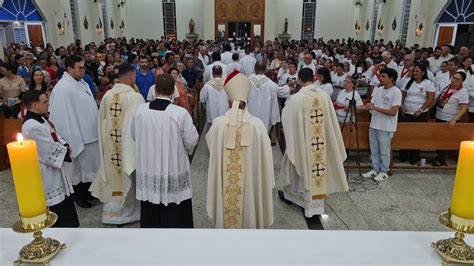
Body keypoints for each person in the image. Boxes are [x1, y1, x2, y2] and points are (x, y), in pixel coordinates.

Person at [206, 70, 274, 228]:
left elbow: (212, 147)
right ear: (246, 101)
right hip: (251, 182)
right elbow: (266, 157)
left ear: (229, 102)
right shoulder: (258, 125)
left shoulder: (218, 124)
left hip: (225, 189)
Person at [278, 68, 348, 218]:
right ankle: (314, 205)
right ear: (314, 77)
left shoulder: (296, 98)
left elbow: (286, 116)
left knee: (300, 165)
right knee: (318, 168)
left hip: (304, 143)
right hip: (320, 143)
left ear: (300, 80)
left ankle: (298, 198)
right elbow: (330, 121)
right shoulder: (324, 96)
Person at [132, 74, 199, 228]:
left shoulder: (141, 111)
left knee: (151, 201)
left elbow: (134, 135)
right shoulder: (179, 113)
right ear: (173, 91)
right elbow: (191, 140)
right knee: (174, 205)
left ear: (154, 90)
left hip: (149, 167)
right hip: (173, 167)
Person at [90, 64, 145, 226]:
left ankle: (111, 212)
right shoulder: (134, 97)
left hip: (112, 144)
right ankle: (128, 212)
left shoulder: (108, 95)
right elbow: (139, 125)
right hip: (128, 146)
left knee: (114, 174)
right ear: (132, 77)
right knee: (128, 172)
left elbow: (102, 122)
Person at [22, 90, 79, 227]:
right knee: (58, 211)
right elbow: (47, 148)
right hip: (47, 173)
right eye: (45, 102)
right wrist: (65, 150)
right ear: (35, 106)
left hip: (55, 171)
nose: (48, 104)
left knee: (66, 206)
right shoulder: (31, 127)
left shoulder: (40, 119)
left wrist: (64, 144)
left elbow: (55, 135)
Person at [49, 55, 100, 208]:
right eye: (80, 68)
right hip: (77, 134)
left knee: (89, 167)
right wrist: (72, 139)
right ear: (69, 68)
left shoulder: (81, 82)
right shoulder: (63, 88)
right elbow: (62, 117)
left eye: (84, 67)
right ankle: (79, 196)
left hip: (89, 133)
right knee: (77, 169)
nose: (83, 70)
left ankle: (88, 192)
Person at [362, 68, 402, 181]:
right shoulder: (378, 90)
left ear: (391, 78)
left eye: (384, 76)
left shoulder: (396, 91)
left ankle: (384, 171)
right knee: (374, 150)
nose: (381, 78)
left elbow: (393, 112)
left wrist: (374, 108)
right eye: (381, 76)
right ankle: (375, 169)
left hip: (386, 126)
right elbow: (371, 105)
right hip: (374, 124)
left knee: (384, 151)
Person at [399, 64, 435, 165]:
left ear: (423, 72)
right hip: (406, 112)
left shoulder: (428, 83)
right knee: (405, 135)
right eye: (413, 71)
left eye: (417, 71)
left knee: (416, 135)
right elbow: (403, 94)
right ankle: (403, 155)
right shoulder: (407, 81)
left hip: (420, 113)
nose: (414, 73)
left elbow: (430, 98)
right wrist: (402, 106)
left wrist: (420, 110)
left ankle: (414, 157)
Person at [432, 71, 469, 166]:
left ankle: (440, 160)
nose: (454, 80)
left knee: (443, 140)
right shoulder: (448, 87)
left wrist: (455, 119)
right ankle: (438, 157)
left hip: (449, 119)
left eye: (457, 79)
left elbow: (463, 108)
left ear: (462, 81)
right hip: (439, 116)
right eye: (453, 78)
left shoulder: (462, 92)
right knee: (438, 139)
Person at [248, 62, 291, 132]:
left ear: (254, 69)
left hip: (251, 113)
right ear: (265, 70)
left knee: (252, 132)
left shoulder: (248, 81)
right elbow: (281, 91)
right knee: (263, 132)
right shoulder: (270, 83)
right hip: (265, 114)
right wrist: (288, 88)